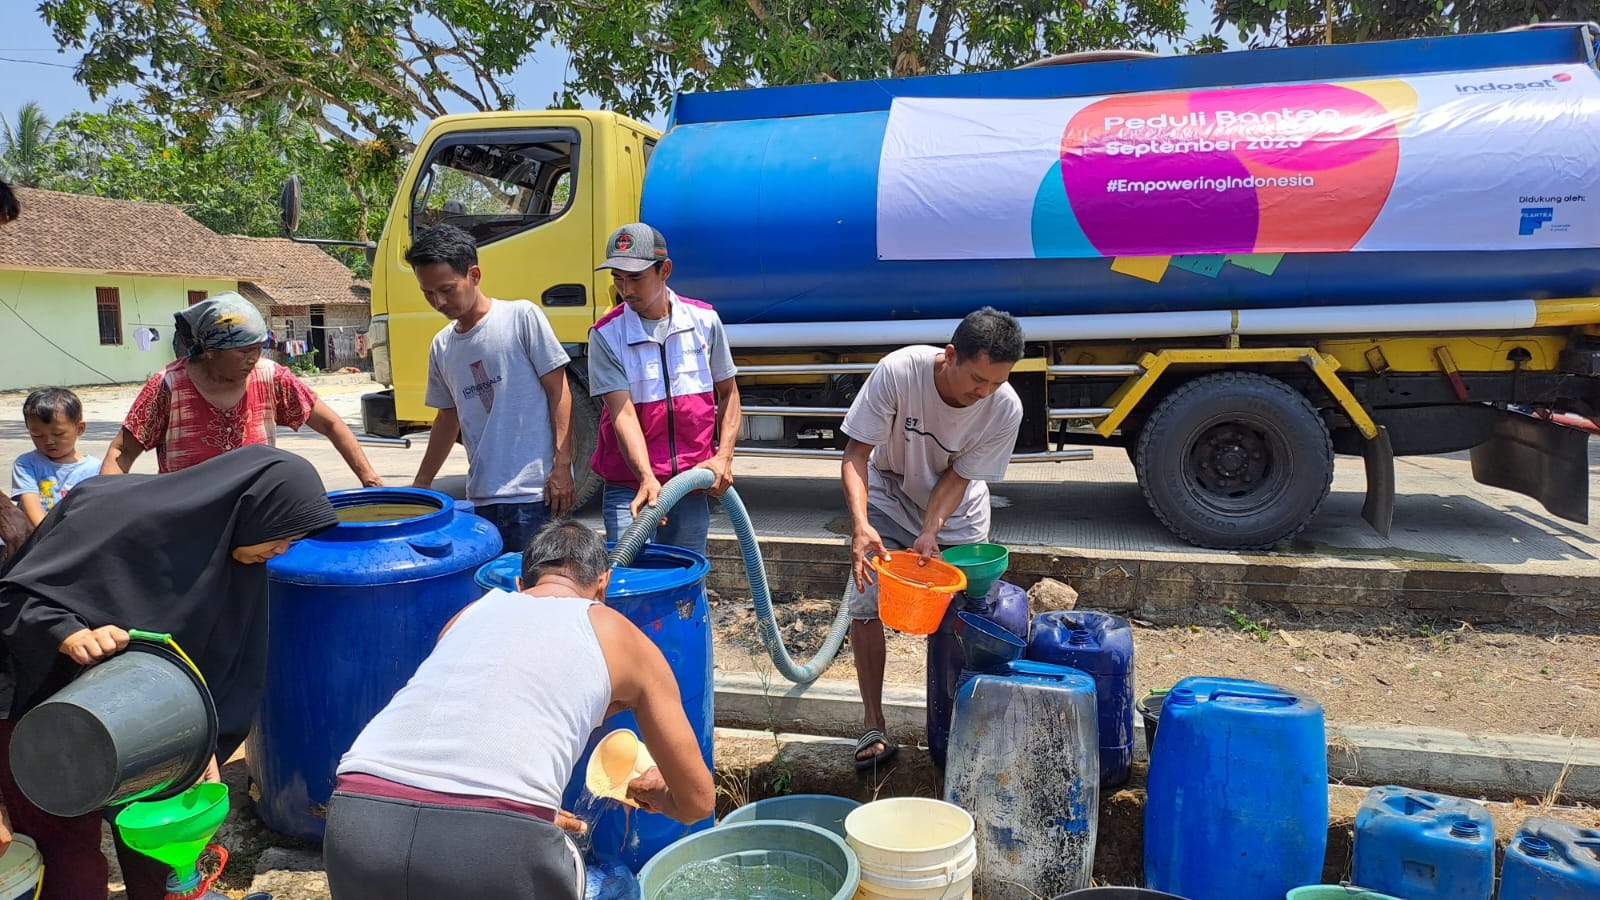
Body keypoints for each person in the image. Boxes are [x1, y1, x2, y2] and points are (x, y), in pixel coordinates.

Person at [0, 445, 338, 900]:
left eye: (292, 542)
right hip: (39, 698)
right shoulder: (108, 512)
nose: (281, 550)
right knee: (66, 843)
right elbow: (14, 598)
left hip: (138, 715)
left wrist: (199, 747)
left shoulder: (241, 562)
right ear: (247, 508)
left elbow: (223, 668)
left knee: (157, 832)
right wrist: (68, 632)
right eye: (280, 535)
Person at [324, 517, 714, 900]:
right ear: (603, 585)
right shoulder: (621, 635)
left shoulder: (467, 616)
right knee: (615, 884)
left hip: (356, 826)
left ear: (520, 584)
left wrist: (527, 811)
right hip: (497, 851)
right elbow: (698, 801)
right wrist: (657, 792)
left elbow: (455, 745)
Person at [841, 307, 1025, 770]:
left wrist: (929, 531)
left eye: (996, 383)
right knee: (865, 602)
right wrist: (862, 526)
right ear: (950, 356)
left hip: (955, 512)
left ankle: (953, 727)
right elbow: (856, 455)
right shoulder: (900, 372)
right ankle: (874, 724)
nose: (984, 392)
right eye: (978, 379)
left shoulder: (1004, 407)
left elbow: (960, 477)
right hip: (886, 490)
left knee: (958, 615)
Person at [406, 224, 576, 552]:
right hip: (481, 498)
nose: (438, 301)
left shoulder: (520, 317)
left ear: (474, 274)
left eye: (447, 289)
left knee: (534, 593)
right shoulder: (442, 346)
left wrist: (562, 466)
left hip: (534, 496)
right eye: (427, 293)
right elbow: (447, 418)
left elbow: (559, 391)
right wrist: (422, 482)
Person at [99, 292, 384, 487]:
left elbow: (332, 424)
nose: (254, 358)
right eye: (244, 351)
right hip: (186, 518)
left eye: (259, 349)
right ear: (211, 351)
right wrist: (102, 508)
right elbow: (122, 452)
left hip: (256, 515)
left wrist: (369, 477)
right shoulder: (168, 386)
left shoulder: (271, 378)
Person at [589, 223, 740, 555]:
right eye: (618, 278)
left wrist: (724, 457)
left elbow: (728, 394)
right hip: (631, 488)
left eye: (636, 278)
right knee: (628, 583)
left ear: (665, 270)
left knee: (684, 585)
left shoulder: (704, 322)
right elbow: (623, 414)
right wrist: (645, 476)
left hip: (691, 484)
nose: (625, 289)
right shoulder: (606, 335)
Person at [10, 388, 102, 528]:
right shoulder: (26, 464)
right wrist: (49, 539)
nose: (48, 441)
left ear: (80, 428)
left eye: (58, 434)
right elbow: (31, 508)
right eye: (37, 435)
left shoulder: (97, 469)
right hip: (38, 539)